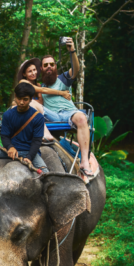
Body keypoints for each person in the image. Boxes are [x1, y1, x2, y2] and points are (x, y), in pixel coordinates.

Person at [40, 38, 94, 178]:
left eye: (52, 64)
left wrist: (72, 51)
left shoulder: (62, 79)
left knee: (82, 118)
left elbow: (76, 70)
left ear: (55, 67)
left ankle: (84, 163)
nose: (49, 67)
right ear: (41, 68)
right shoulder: (40, 87)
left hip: (68, 113)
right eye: (46, 65)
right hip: (50, 115)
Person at [0, 82, 49, 173]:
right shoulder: (8, 115)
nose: (21, 102)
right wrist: (10, 147)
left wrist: (29, 157)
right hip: (10, 150)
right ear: (15, 96)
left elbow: (37, 141)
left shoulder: (38, 117)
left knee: (46, 173)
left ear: (31, 99)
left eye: (25, 99)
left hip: (28, 151)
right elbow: (4, 135)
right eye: (19, 98)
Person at [13, 59, 71, 142]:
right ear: (24, 74)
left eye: (34, 70)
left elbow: (41, 102)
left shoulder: (38, 85)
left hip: (36, 114)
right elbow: (44, 90)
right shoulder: (23, 82)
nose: (33, 73)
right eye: (30, 71)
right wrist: (61, 93)